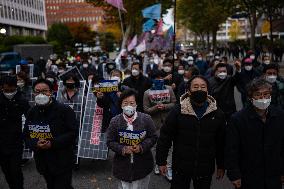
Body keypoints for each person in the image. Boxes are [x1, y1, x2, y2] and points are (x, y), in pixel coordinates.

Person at [156, 75, 226, 189]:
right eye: (195, 87)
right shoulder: (178, 111)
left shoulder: (217, 114)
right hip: (181, 167)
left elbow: (221, 142)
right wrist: (161, 161)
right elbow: (165, 137)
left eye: (203, 87)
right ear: (188, 91)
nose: (199, 90)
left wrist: (221, 165)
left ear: (207, 90)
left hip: (205, 168)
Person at [225, 78, 284, 189]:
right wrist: (234, 174)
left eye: (266, 94)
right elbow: (231, 149)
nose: (263, 98)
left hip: (273, 174)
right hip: (249, 175)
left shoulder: (279, 115)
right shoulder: (238, 119)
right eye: (258, 95)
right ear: (250, 97)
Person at [23, 79, 78, 189]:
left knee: (62, 185)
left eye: (44, 91)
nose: (41, 94)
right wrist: (36, 144)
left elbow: (73, 133)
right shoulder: (32, 112)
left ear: (51, 92)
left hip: (62, 159)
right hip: (43, 161)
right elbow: (27, 134)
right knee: (51, 185)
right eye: (37, 91)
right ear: (33, 93)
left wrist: (52, 143)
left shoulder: (65, 110)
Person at [107, 89, 157, 189]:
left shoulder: (146, 119)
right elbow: (110, 141)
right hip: (122, 166)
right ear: (121, 105)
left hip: (143, 165)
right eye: (125, 103)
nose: (128, 105)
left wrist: (141, 147)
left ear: (136, 104)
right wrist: (123, 149)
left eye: (131, 103)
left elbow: (153, 137)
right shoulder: (115, 121)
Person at [143, 70, 176, 180]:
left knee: (170, 145)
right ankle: (158, 164)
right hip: (155, 123)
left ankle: (169, 167)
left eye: (160, 78)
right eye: (156, 78)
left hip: (168, 122)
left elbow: (174, 103)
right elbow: (146, 109)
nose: (158, 80)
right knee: (156, 145)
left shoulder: (169, 89)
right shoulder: (147, 92)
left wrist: (165, 106)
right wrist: (156, 108)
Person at [0, 76, 30, 189]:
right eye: (6, 90)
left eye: (11, 90)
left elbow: (30, 118)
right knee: (6, 170)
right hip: (1, 142)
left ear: (15, 88)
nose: (9, 93)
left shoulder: (22, 100)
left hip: (16, 141)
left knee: (15, 170)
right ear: (2, 88)